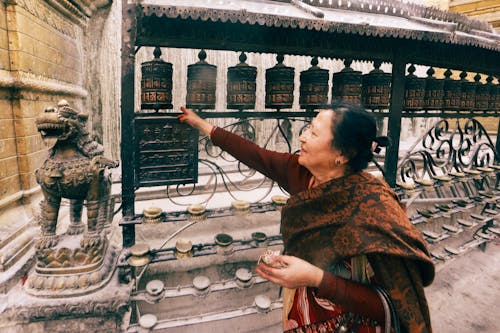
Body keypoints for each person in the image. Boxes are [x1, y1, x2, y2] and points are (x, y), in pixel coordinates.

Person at [178, 103, 434, 333]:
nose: (302, 137)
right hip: (303, 314)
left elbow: (393, 305)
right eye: (307, 128)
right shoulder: (301, 173)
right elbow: (254, 154)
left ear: (342, 155)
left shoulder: (374, 209)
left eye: (313, 133)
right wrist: (200, 124)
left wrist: (315, 278)